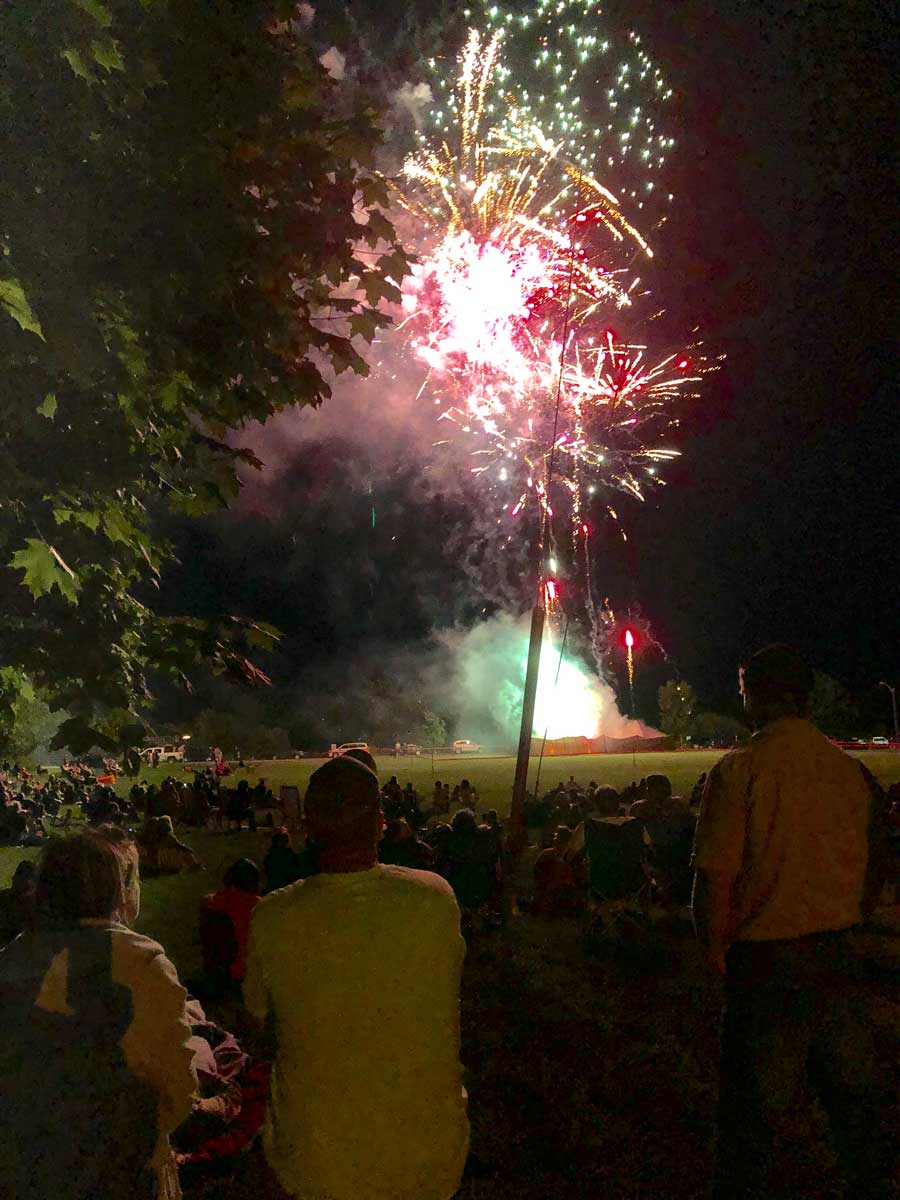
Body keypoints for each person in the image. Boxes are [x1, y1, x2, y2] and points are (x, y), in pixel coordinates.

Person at [693, 644, 894, 1199]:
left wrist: (714, 952)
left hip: (766, 964)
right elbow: (878, 860)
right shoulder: (851, 773)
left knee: (751, 1124)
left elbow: (713, 878)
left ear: (754, 695)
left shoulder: (738, 772)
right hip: (838, 955)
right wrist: (855, 916)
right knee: (857, 1114)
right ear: (805, 698)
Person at [244, 756, 468, 1200]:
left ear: (307, 827)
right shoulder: (436, 898)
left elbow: (257, 1027)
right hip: (428, 1158)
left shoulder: (272, 916)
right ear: (382, 825)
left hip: (315, 1163)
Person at [0, 828, 195, 1200]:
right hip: (120, 1165)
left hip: (27, 1160)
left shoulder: (14, 956)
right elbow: (177, 1084)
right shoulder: (139, 960)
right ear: (119, 890)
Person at [201, 858, 261, 985]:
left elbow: (207, 900)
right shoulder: (259, 904)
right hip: (248, 969)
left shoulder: (217, 900)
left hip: (222, 967)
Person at [532, 826, 583, 915]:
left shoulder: (572, 857)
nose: (555, 840)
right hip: (550, 888)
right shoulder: (547, 854)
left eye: (557, 838)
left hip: (564, 890)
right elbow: (537, 870)